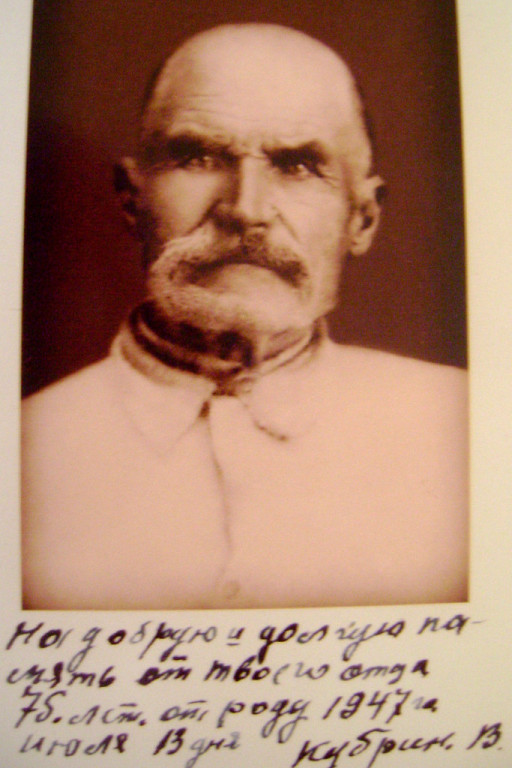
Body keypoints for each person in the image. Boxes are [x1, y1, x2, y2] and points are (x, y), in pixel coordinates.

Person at [21, 23, 468, 610]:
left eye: (297, 165)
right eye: (198, 157)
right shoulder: (23, 449)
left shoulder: (468, 430)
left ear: (361, 219)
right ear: (131, 199)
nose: (245, 210)